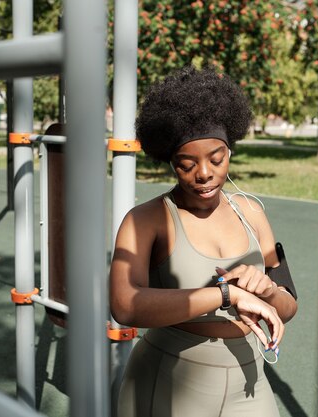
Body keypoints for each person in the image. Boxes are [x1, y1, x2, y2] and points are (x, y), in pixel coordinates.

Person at [110, 66, 298, 417]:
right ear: (169, 161)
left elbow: (288, 304)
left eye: (216, 159)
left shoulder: (252, 212)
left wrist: (268, 292)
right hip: (173, 376)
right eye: (186, 164)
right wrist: (227, 295)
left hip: (250, 377)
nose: (205, 174)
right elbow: (124, 305)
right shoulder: (147, 219)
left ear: (230, 151)